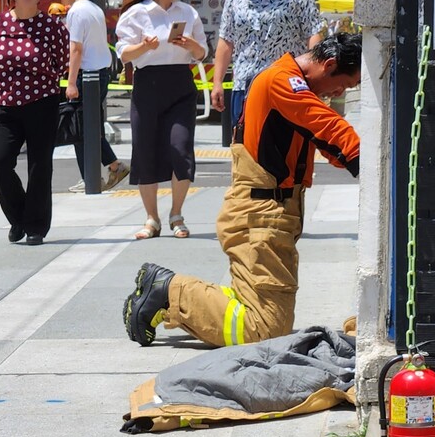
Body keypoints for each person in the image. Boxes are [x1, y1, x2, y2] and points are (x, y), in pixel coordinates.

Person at [123, 34, 362, 347]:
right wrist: (370, 159)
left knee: (265, 316)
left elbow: (327, 142)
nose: (339, 93)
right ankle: (169, 290)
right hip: (260, 217)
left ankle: (174, 293)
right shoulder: (283, 82)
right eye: (344, 85)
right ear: (328, 65)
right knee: (265, 330)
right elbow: (330, 128)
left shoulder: (293, 84)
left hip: (270, 217)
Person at [115, 0, 208, 240]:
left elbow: (203, 52)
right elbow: (124, 53)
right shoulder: (136, 14)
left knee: (180, 149)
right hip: (148, 85)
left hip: (180, 83)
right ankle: (151, 217)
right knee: (146, 150)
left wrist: (192, 44)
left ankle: (176, 213)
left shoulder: (187, 12)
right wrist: (144, 47)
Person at [0, 0, 69, 246]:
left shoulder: (53, 27)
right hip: (5, 105)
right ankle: (18, 217)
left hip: (41, 103)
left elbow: (61, 65)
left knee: (39, 166)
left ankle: (35, 226)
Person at [211, 0, 324, 126]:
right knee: (245, 151)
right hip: (245, 87)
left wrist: (316, 78)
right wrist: (217, 83)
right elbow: (226, 39)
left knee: (287, 151)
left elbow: (313, 32)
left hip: (287, 87)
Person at [59, 0, 129, 193]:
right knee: (90, 126)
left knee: (79, 128)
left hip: (86, 76)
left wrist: (70, 82)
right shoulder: (94, 8)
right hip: (100, 74)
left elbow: (76, 49)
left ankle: (92, 176)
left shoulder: (76, 13)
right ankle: (109, 168)